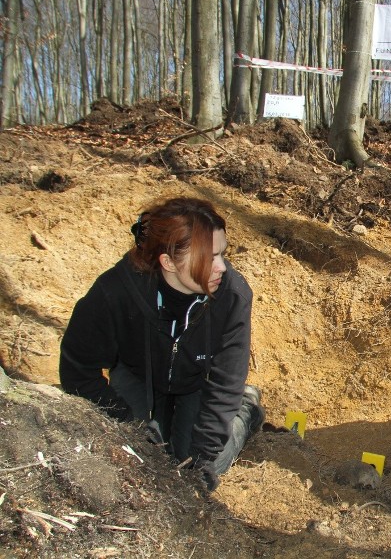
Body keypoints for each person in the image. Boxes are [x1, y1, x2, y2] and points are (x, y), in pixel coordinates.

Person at [60, 197, 264, 491]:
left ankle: (247, 412)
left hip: (195, 380)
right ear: (168, 262)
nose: (222, 267)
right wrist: (128, 423)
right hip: (137, 372)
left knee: (197, 465)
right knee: (131, 455)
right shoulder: (115, 292)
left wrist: (203, 456)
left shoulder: (232, 296)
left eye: (222, 254)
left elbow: (226, 382)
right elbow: (77, 371)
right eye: (209, 257)